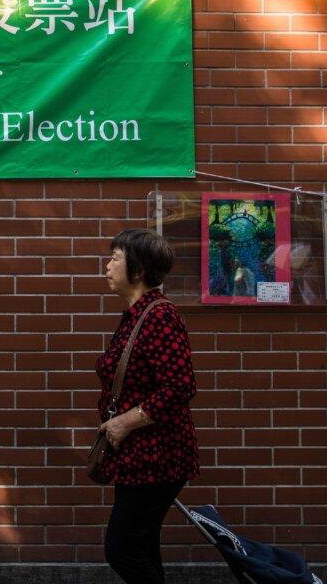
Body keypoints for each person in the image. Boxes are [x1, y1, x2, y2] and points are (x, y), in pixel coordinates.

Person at [98, 228, 199, 584]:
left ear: (138, 270)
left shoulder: (159, 317)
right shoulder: (136, 316)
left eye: (115, 259)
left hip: (157, 458)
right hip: (140, 458)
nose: (107, 266)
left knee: (121, 548)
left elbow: (180, 386)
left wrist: (125, 422)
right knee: (141, 546)